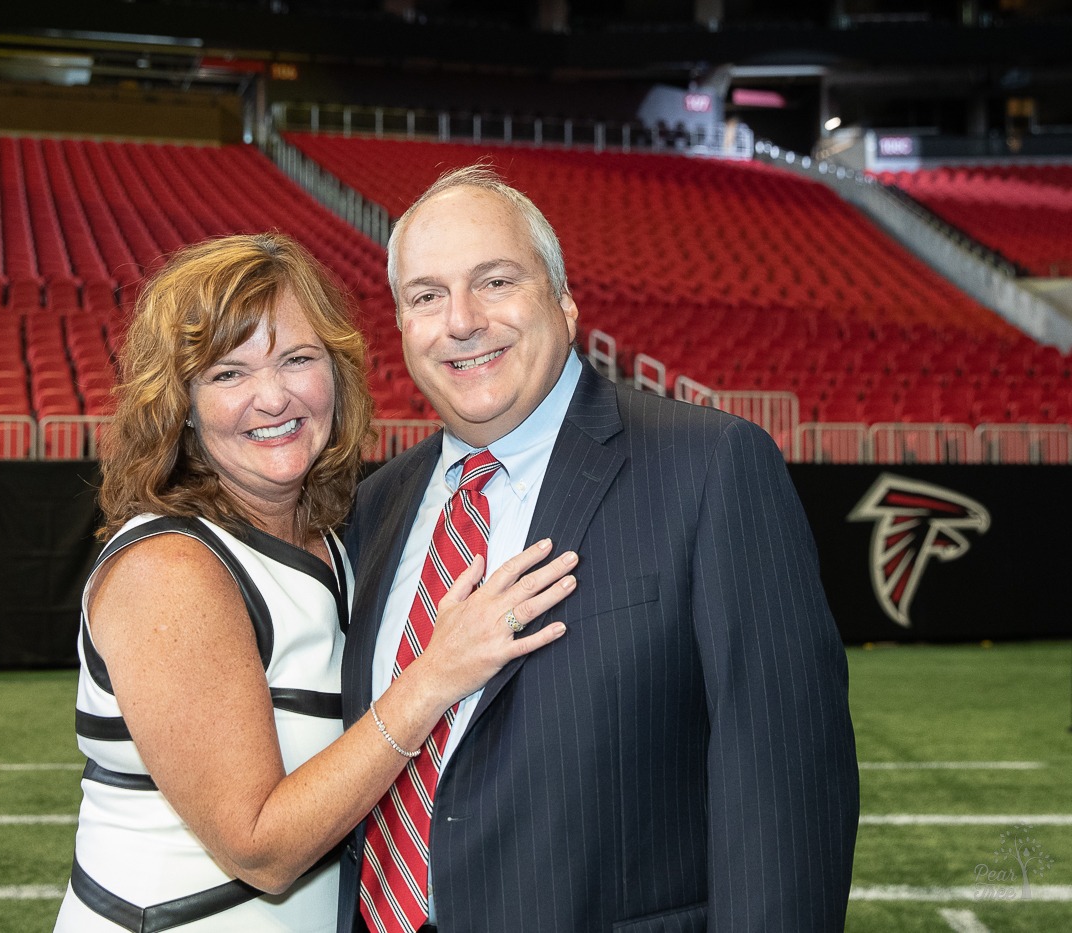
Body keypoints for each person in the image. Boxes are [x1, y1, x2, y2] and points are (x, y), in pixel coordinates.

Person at [339, 167, 860, 933]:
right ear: (403, 327)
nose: (460, 320)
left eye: (495, 280)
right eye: (426, 296)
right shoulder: (374, 506)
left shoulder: (711, 467)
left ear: (566, 303)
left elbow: (787, 789)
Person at [55, 233, 580, 932]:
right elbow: (261, 847)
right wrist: (436, 674)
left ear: (335, 371)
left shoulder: (342, 534)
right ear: (181, 402)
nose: (272, 397)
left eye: (297, 359)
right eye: (227, 373)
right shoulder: (170, 568)